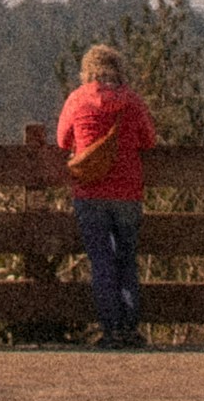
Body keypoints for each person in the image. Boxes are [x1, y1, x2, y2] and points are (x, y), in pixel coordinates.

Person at [52, 42, 156, 350]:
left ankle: (110, 328)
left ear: (87, 72)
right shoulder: (132, 102)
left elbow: (62, 140)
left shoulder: (77, 100)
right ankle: (129, 326)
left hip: (90, 192)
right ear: (118, 70)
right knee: (126, 259)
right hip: (127, 192)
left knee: (102, 261)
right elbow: (148, 140)